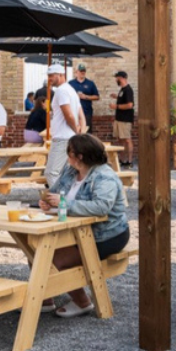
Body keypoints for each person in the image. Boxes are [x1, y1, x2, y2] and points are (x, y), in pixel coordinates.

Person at [40, 134, 129, 317]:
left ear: (79, 155)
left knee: (51, 259)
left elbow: (102, 207)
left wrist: (63, 203)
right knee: (35, 251)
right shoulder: (70, 170)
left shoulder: (104, 176)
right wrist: (48, 201)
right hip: (74, 231)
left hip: (106, 234)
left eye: (69, 152)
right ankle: (45, 296)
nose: (67, 156)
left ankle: (82, 302)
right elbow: (55, 192)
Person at [44, 65, 84, 187]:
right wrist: (80, 134)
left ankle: (61, 202)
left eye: (52, 76)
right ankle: (66, 201)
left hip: (62, 137)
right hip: (70, 137)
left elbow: (69, 116)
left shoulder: (61, 91)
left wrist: (77, 132)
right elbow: (81, 116)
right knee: (65, 173)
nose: (49, 79)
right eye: (48, 76)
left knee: (51, 173)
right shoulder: (71, 90)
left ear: (61, 75)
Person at [109, 70, 134, 167]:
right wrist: (116, 97)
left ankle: (130, 161)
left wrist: (116, 107)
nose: (116, 80)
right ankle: (123, 160)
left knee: (127, 139)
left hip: (125, 119)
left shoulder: (128, 90)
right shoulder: (122, 90)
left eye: (117, 78)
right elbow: (123, 100)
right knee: (121, 139)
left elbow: (130, 105)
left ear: (122, 78)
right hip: (119, 118)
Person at [68, 63, 100, 132]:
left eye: (84, 71)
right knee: (74, 131)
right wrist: (74, 96)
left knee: (87, 132)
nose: (83, 72)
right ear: (76, 72)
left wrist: (85, 97)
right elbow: (66, 96)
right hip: (74, 112)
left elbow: (97, 97)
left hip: (86, 112)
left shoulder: (90, 83)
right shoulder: (71, 83)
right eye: (81, 71)